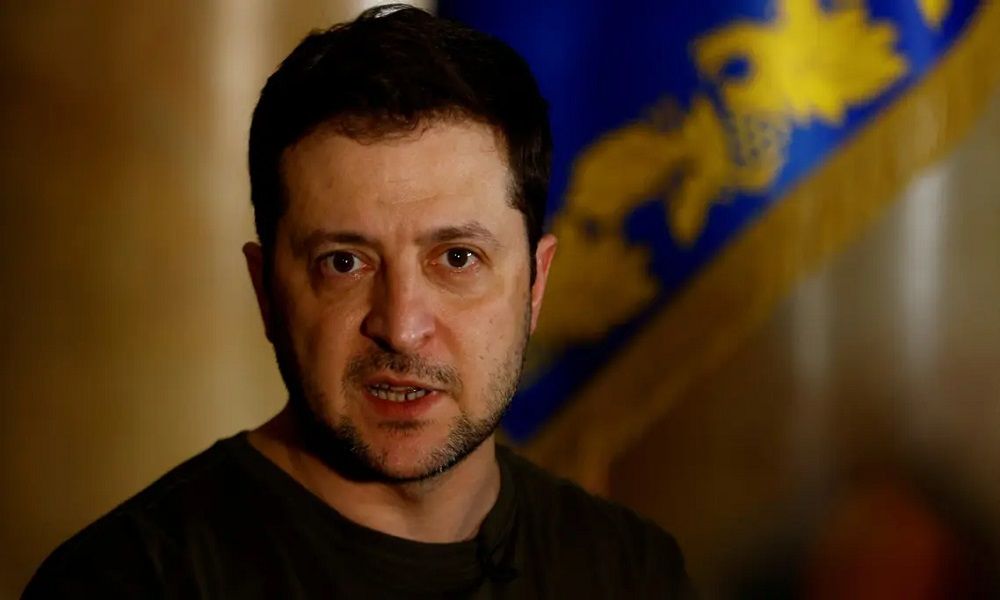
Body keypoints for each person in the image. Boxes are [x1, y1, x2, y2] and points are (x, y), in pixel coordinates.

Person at [24, 5, 692, 598]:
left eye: (457, 258)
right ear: (265, 290)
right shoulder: (127, 581)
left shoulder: (630, 572)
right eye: (344, 263)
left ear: (536, 284)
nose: (401, 326)